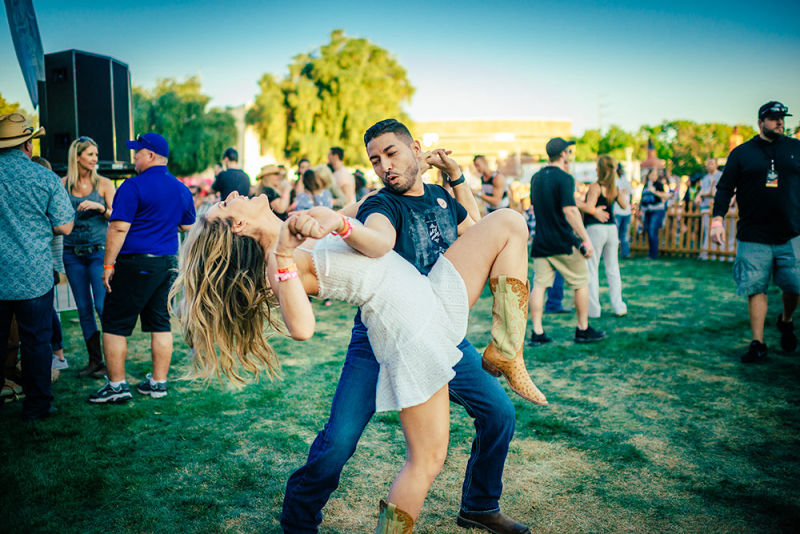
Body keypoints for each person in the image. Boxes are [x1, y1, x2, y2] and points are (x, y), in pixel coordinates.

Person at [280, 120, 533, 533]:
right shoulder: (380, 205)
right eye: (376, 160)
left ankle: (479, 505)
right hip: (379, 336)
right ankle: (298, 520)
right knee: (339, 443)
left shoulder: (438, 196)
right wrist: (345, 225)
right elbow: (376, 238)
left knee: (499, 413)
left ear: (415, 148)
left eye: (391, 154)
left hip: (436, 329)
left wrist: (455, 178)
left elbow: (474, 227)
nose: (384, 167)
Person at [88, 133, 195, 403]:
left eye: (137, 152)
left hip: (135, 262)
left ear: (150, 155)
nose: (134, 157)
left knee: (114, 324)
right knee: (160, 323)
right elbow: (187, 227)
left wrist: (108, 264)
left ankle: (116, 387)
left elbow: (119, 226)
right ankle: (158, 384)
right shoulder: (181, 188)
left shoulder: (132, 186)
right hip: (167, 263)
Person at [711, 101, 800, 363]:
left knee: (794, 286)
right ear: (760, 121)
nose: (780, 122)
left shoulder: (796, 149)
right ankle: (758, 342)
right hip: (753, 235)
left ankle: (785, 320)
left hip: (791, 232)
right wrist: (717, 220)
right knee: (755, 287)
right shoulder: (742, 153)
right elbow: (724, 188)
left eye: (782, 118)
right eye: (773, 118)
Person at [0, 113, 74, 420]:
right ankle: (38, 405)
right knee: (36, 342)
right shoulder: (44, 178)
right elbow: (66, 226)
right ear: (28, 145)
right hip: (33, 275)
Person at [528, 137, 605, 345]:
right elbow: (570, 210)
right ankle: (582, 328)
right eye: (568, 151)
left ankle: (537, 332)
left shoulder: (536, 178)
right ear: (563, 154)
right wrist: (586, 241)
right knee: (581, 283)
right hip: (563, 243)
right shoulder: (565, 178)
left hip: (541, 242)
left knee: (539, 286)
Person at [61, 136, 116, 378]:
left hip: (98, 253)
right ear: (77, 157)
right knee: (83, 308)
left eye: (96, 154)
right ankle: (95, 362)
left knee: (102, 306)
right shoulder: (62, 184)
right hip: (72, 254)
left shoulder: (104, 184)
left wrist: (98, 207)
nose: (95, 159)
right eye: (90, 154)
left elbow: (116, 217)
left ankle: (113, 362)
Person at [583, 155, 627, 317]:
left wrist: (583, 205)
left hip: (596, 229)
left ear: (599, 169)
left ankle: (593, 310)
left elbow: (588, 207)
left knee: (592, 269)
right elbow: (624, 205)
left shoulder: (596, 186)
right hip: (611, 230)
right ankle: (619, 306)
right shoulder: (614, 188)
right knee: (613, 269)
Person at [639, 169, 671, 259]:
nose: (654, 177)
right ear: (649, 175)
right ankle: (651, 253)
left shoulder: (659, 185)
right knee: (648, 231)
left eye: (656, 175)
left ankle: (654, 254)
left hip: (657, 210)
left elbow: (665, 196)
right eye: (652, 175)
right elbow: (643, 199)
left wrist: (654, 192)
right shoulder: (645, 186)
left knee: (653, 230)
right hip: (648, 211)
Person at [697, 158, 722, 260]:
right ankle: (705, 252)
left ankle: (718, 252)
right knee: (706, 229)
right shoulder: (705, 178)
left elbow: (716, 192)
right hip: (705, 206)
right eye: (707, 164)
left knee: (717, 230)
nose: (709, 166)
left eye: (711, 163)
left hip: (717, 206)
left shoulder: (720, 175)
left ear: (716, 165)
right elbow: (702, 191)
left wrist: (706, 193)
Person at [615, 162, 633, 258]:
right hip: (617, 211)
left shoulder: (625, 181)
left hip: (626, 211)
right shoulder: (614, 181)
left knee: (624, 234)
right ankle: (612, 253)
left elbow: (630, 193)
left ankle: (625, 253)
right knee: (615, 234)